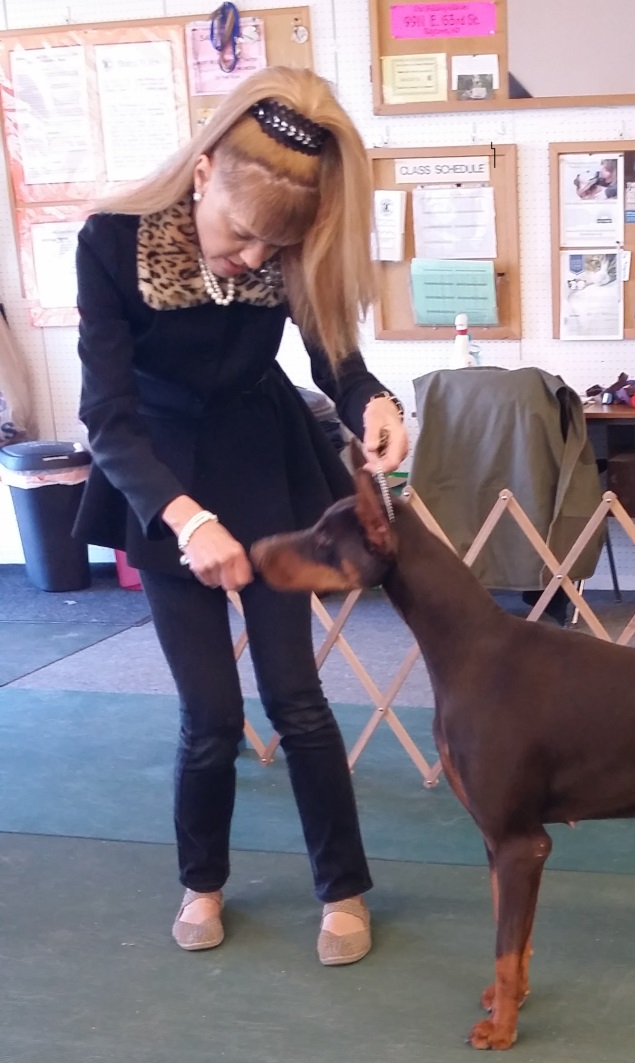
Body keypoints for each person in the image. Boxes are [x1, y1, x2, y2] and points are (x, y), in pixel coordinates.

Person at [73, 67, 408, 965]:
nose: (256, 260)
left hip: (263, 464)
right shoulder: (111, 242)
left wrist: (374, 400)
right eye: (242, 237)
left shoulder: (287, 238)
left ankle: (342, 888)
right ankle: (202, 880)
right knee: (211, 712)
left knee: (297, 698)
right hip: (158, 475)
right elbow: (107, 416)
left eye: (277, 246)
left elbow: (337, 358)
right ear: (203, 169)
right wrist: (185, 519)